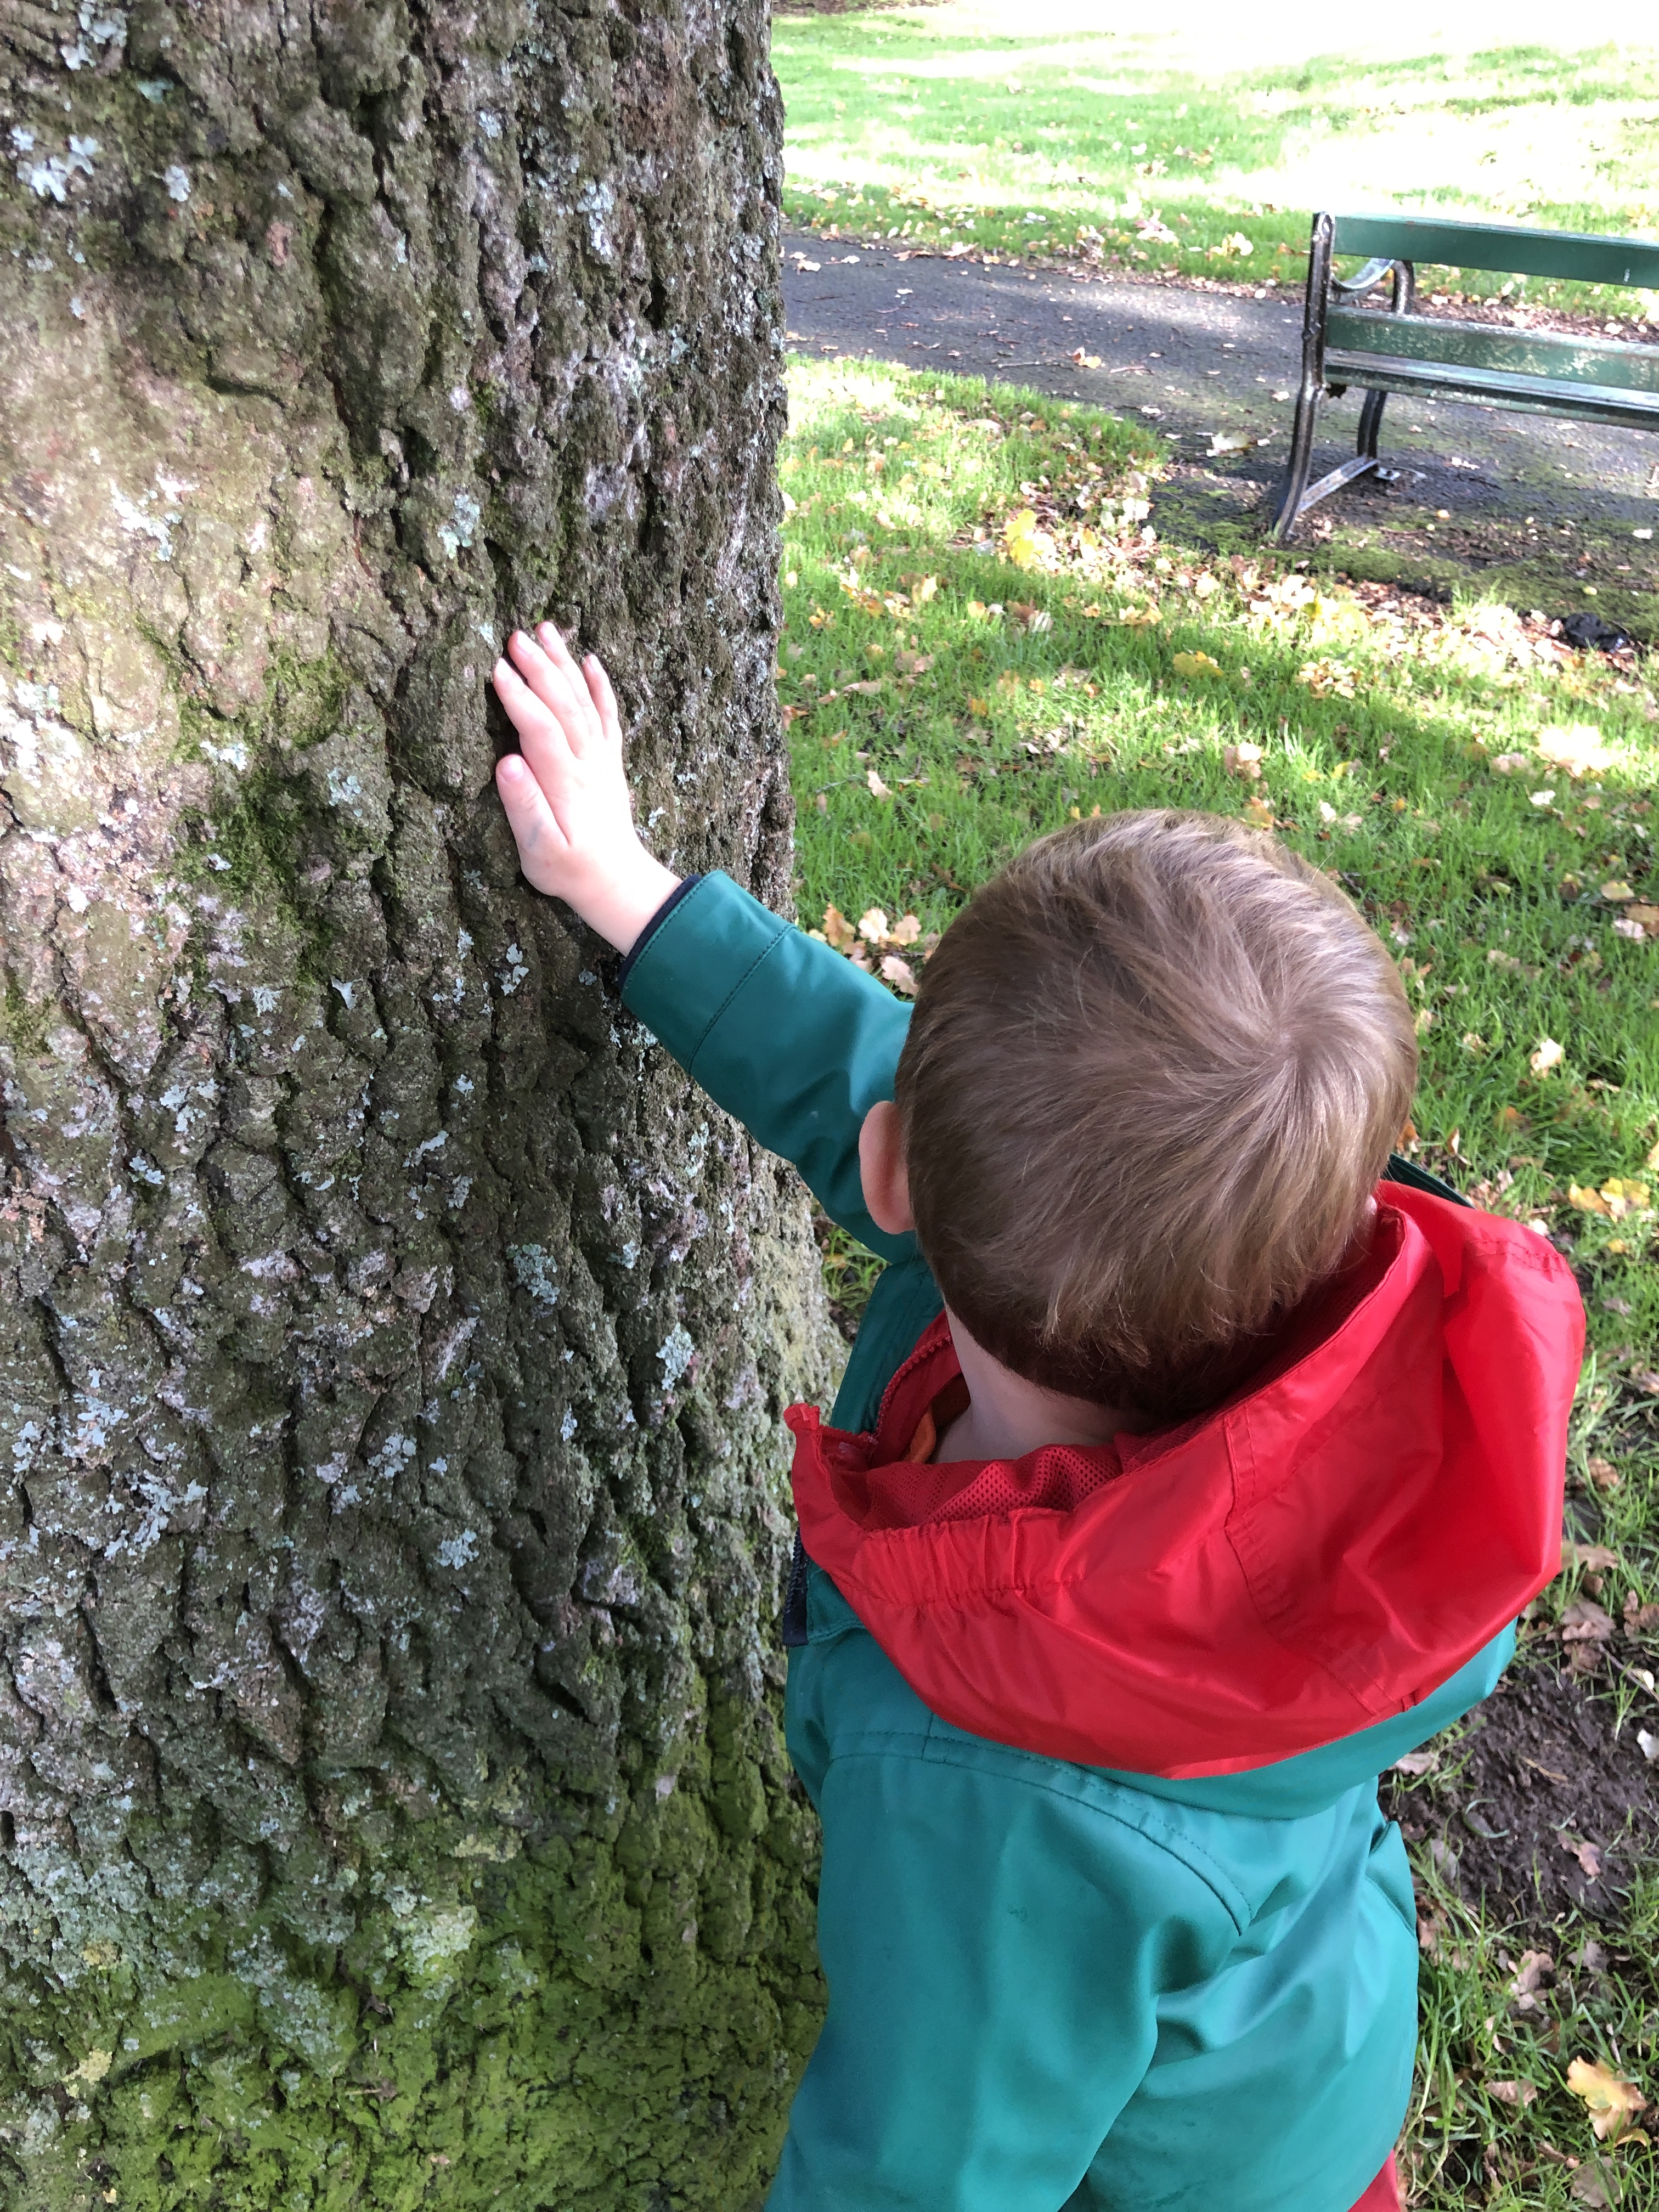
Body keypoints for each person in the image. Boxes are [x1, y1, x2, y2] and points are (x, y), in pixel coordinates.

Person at [491, 622, 1585, 2212]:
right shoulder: (1296, 1361)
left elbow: (922, 2172)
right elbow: (862, 1074)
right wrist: (632, 896)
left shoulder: (988, 1796)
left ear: (892, 1178)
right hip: (1297, 2055)